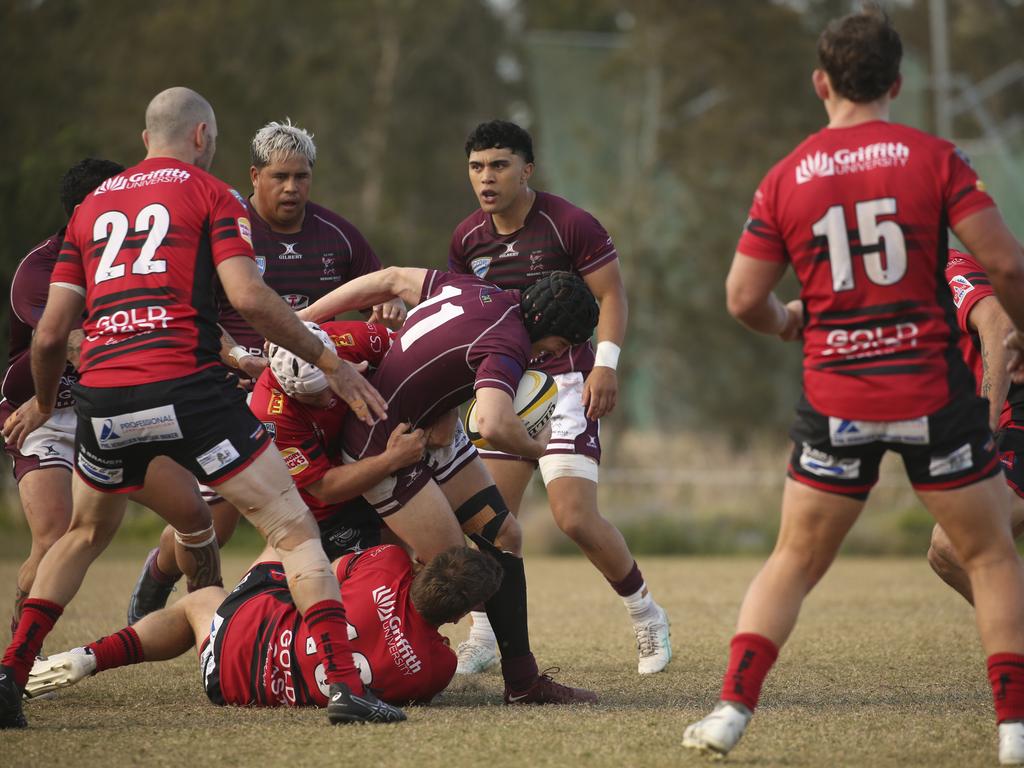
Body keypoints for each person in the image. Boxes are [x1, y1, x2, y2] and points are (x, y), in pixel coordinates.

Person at [681, 10, 1024, 765]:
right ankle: (1013, 731)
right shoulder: (936, 157)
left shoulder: (785, 176)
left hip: (838, 397)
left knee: (794, 559)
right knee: (991, 555)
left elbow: (742, 299)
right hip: (932, 392)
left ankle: (732, 712)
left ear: (821, 82)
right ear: (898, 83)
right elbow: (1008, 265)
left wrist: (787, 322)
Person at [0, 86, 403, 729]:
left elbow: (50, 337)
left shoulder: (89, 210)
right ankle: (345, 686)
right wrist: (329, 361)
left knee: (81, 535)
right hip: (188, 387)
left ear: (144, 139)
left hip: (103, 396)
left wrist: (48, 403)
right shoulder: (213, 195)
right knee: (293, 528)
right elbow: (250, 298)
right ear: (202, 138)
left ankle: (10, 672)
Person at [127, 119, 406, 624]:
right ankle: (161, 574)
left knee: (332, 502)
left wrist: (386, 311)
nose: (292, 188)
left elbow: (379, 294)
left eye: (302, 177)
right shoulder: (222, 227)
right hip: (235, 393)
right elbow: (194, 317)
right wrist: (239, 359)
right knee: (216, 518)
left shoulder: (339, 235)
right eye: (280, 177)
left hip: (318, 400)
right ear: (254, 175)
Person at [301, 266, 600, 704]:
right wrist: (545, 450)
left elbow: (389, 278)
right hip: (383, 447)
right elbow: (496, 423)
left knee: (505, 536)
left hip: (431, 429)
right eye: (565, 345)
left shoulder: (477, 289)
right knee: (452, 565)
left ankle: (523, 682)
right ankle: (393, 666)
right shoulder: (509, 343)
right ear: (555, 334)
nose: (557, 352)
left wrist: (306, 317)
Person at [447, 120, 670, 676]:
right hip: (503, 388)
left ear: (527, 169)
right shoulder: (466, 239)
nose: (487, 177)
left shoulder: (569, 223)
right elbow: (466, 316)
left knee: (573, 517)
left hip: (569, 383)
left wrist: (607, 366)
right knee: (488, 524)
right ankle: (484, 634)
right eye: (477, 167)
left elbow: (611, 293)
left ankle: (647, 616)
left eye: (499, 165)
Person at [0, 158, 223, 635]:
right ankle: (19, 656)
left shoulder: (135, 259)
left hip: (109, 407)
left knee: (195, 515)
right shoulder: (40, 270)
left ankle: (218, 637)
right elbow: (72, 343)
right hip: (42, 416)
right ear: (85, 211)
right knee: (55, 535)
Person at [25, 544, 503, 708]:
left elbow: (314, 575)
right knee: (209, 609)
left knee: (277, 544)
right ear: (459, 615)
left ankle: (87, 655)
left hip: (249, 634)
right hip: (238, 687)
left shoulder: (390, 563)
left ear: (427, 566)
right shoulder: (438, 667)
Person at [927, 249, 1024, 601]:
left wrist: (982, 433)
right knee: (946, 553)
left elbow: (999, 320)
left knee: (953, 547)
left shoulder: (941, 263)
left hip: (1017, 419)